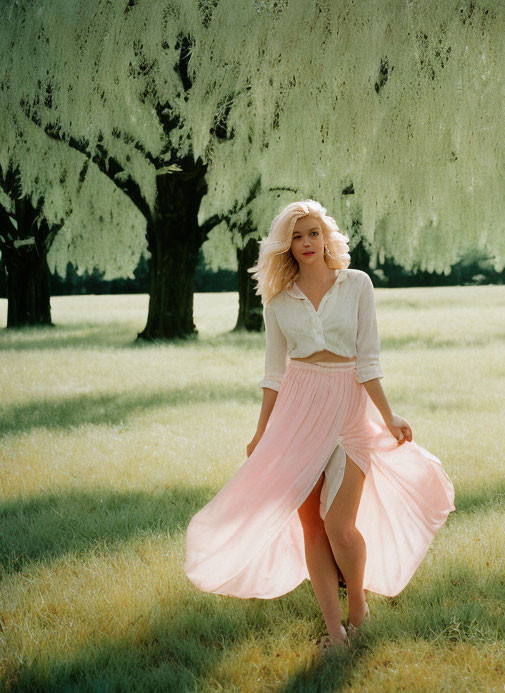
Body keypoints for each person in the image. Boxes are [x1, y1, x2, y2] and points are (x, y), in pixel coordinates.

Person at [183, 200, 456, 651]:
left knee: (340, 525)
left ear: (326, 236)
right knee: (312, 527)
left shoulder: (357, 285)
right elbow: (274, 373)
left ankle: (358, 609)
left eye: (312, 233)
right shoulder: (278, 300)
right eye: (296, 236)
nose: (306, 242)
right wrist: (262, 431)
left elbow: (368, 360)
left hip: (348, 411)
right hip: (297, 413)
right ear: (285, 246)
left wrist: (389, 416)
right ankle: (334, 633)